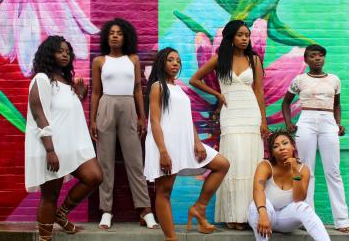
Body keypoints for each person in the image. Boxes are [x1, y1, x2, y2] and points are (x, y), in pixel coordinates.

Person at [144, 47, 230, 241]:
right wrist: (163, 151)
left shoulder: (178, 88)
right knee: (164, 191)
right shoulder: (158, 86)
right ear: (161, 63)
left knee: (222, 164)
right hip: (165, 144)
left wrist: (197, 142)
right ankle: (171, 238)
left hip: (186, 142)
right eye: (170, 60)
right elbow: (155, 121)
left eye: (178, 60)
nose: (175, 63)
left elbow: (186, 118)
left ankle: (199, 208)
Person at [189, 20, 267, 229]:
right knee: (233, 162)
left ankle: (246, 216)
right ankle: (231, 215)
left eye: (247, 35)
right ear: (231, 37)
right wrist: (217, 94)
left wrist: (263, 121)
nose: (244, 38)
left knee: (250, 163)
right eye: (240, 35)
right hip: (230, 114)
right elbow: (194, 80)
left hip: (251, 115)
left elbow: (259, 91)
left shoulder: (254, 59)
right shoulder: (220, 59)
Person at [25, 36, 103, 241]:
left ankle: (62, 213)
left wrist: (79, 96)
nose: (65, 54)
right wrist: (50, 150)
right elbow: (39, 114)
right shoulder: (42, 79)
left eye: (67, 51)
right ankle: (45, 238)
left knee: (94, 176)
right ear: (49, 53)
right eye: (60, 51)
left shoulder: (65, 81)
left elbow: (65, 112)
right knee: (50, 196)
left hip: (72, 146)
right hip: (52, 148)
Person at [90, 18, 158, 229]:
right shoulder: (100, 61)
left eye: (119, 33)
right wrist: (92, 120)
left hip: (129, 105)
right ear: (106, 37)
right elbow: (95, 92)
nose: (115, 36)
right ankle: (106, 211)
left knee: (135, 161)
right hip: (106, 105)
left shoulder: (133, 60)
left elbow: (138, 89)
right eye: (111, 33)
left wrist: (141, 116)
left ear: (125, 36)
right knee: (105, 162)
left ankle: (145, 210)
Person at [282, 44, 349, 232]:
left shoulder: (334, 80)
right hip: (306, 121)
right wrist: (289, 123)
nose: (318, 59)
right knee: (306, 170)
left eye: (321, 56)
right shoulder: (299, 80)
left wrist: (338, 124)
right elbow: (286, 103)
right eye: (313, 56)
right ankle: (307, 218)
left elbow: (337, 105)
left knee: (333, 171)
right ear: (306, 60)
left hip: (328, 122)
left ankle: (342, 220)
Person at [248, 129, 330, 241]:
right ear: (272, 152)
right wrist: (263, 214)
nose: (281, 148)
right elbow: (258, 190)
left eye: (285, 143)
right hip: (265, 215)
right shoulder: (265, 166)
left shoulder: (303, 170)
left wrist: (295, 171)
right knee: (256, 205)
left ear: (293, 146)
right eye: (276, 146)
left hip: (285, 219)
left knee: (304, 207)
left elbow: (299, 198)